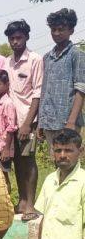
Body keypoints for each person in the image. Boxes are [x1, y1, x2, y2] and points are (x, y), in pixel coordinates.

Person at [4, 19, 43, 222]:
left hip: (28, 118)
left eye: (19, 37)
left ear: (26, 37)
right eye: (12, 38)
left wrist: (28, 123)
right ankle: (21, 200)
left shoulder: (35, 59)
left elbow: (37, 92)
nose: (15, 41)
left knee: (28, 160)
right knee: (17, 161)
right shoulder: (7, 62)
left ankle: (31, 203)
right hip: (11, 121)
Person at [38, 8, 85, 147]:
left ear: (71, 30)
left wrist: (71, 122)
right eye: (53, 29)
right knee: (56, 162)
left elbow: (81, 90)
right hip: (49, 122)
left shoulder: (77, 55)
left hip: (68, 122)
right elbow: (44, 91)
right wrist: (41, 122)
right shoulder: (47, 57)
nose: (56, 33)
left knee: (68, 162)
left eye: (61, 29)